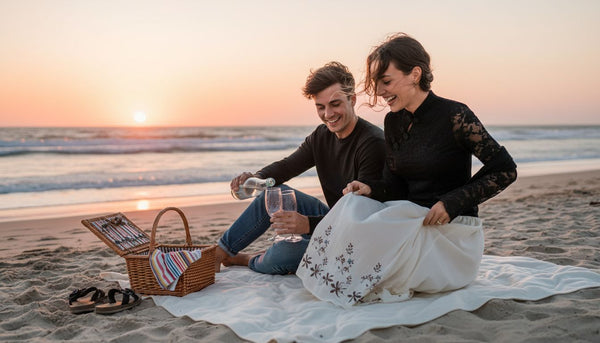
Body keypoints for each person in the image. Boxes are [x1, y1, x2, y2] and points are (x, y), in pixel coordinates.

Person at [297, 33, 517, 307]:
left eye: (386, 81)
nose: (380, 91)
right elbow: (395, 186)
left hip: (450, 233)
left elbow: (505, 169)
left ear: (415, 74)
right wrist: (369, 188)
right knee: (351, 206)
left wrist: (452, 202)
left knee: (370, 265)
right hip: (410, 219)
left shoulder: (456, 116)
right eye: (377, 83)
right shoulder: (393, 122)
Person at [214, 61, 386, 275]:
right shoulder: (321, 136)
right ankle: (220, 252)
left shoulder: (372, 143)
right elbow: (287, 166)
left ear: (352, 100)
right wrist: (256, 179)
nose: (328, 114)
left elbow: (362, 216)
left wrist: (308, 225)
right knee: (272, 193)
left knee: (284, 252)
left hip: (359, 238)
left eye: (335, 104)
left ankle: (248, 259)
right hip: (331, 220)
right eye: (320, 107)